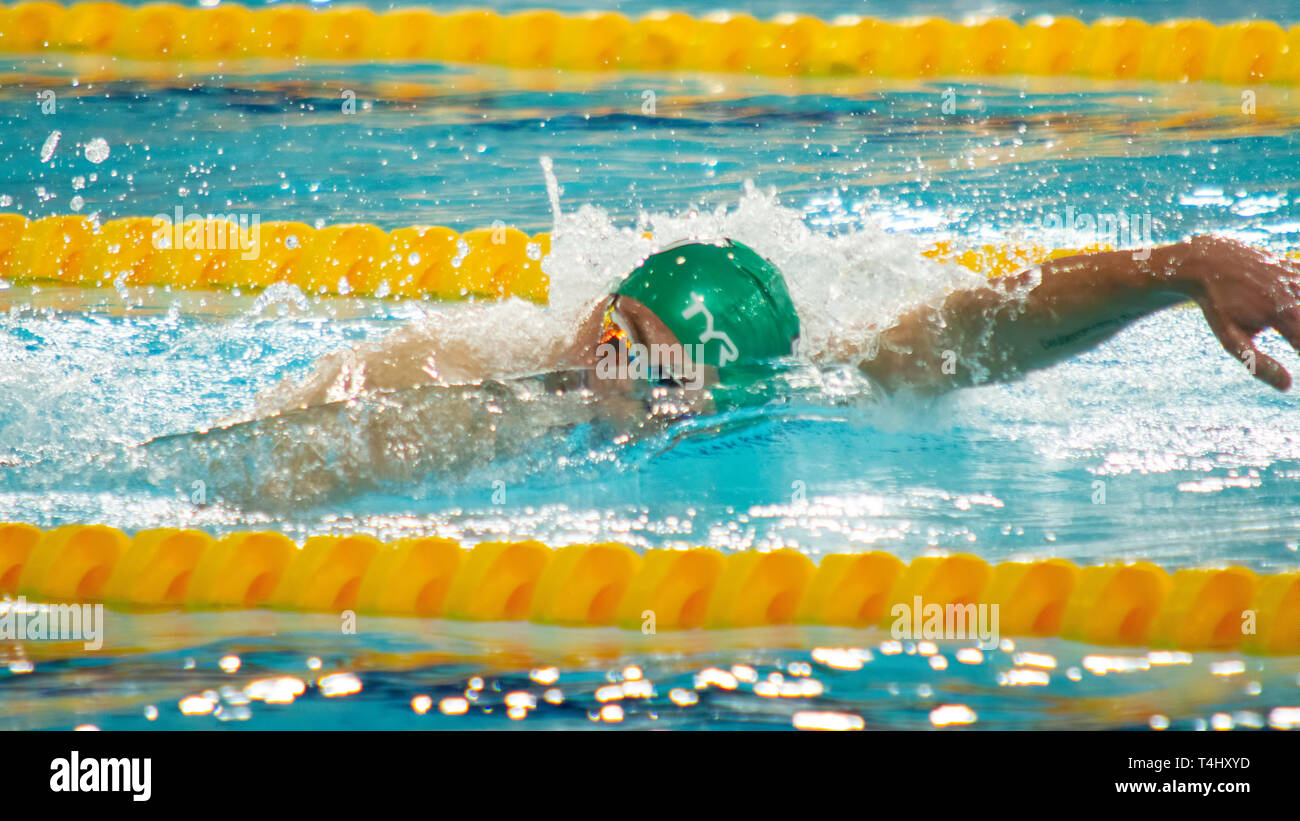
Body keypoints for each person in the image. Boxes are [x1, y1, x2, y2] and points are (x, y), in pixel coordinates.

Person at [263, 234, 1300, 413]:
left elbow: (971, 333)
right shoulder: (453, 371)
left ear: (716, 387)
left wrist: (1179, 268)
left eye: (660, 375)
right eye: (609, 341)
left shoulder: (782, 394)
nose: (610, 378)